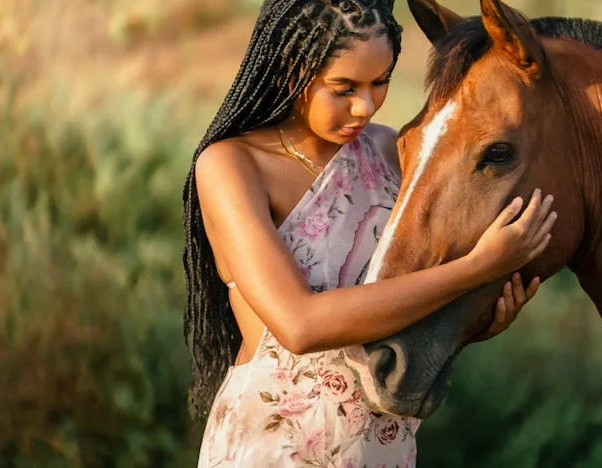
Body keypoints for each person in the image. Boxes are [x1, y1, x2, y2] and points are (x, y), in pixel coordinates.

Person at [182, 0, 556, 466]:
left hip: (383, 446)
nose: (364, 106)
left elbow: (397, 304)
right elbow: (300, 324)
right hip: (274, 448)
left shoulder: (388, 150)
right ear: (291, 69)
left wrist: (480, 321)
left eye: (381, 82)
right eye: (344, 88)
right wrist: (477, 267)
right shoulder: (231, 166)